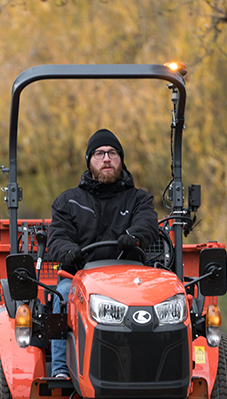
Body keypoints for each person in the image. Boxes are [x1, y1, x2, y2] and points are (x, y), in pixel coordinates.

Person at [46, 128, 158, 379]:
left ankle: (151, 370)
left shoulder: (139, 200)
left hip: (129, 279)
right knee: (62, 294)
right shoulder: (68, 202)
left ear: (121, 159)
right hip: (81, 278)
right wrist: (69, 251)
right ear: (89, 160)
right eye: (99, 153)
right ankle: (63, 369)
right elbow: (57, 238)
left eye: (112, 153)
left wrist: (135, 237)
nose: (106, 158)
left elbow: (148, 224)